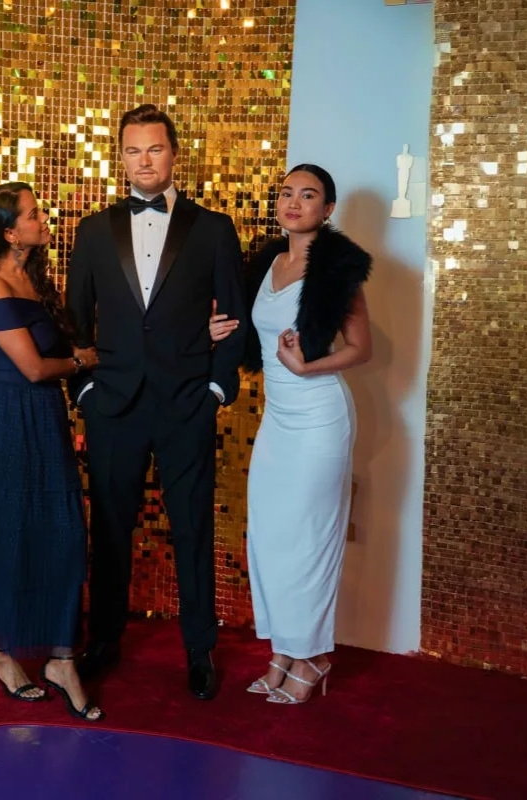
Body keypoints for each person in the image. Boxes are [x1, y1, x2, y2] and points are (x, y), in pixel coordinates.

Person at [66, 104, 247, 700]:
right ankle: (104, 640)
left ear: (174, 153)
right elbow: (75, 322)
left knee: (193, 527)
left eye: (155, 149)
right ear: (121, 158)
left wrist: (216, 390)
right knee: (109, 529)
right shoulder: (93, 230)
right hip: (113, 405)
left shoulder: (214, 228)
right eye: (133, 150)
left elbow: (234, 318)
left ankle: (199, 648)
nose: (144, 161)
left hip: (186, 403)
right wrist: (84, 391)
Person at [210, 164, 372, 704]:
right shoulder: (264, 263)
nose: (294, 203)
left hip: (320, 416)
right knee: (271, 535)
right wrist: (213, 329)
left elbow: (362, 348)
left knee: (310, 539)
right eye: (286, 193)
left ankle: (314, 656)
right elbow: (245, 330)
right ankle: (284, 648)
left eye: (308, 195)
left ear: (328, 209)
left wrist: (307, 367)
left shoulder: (336, 270)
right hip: (277, 419)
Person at [0, 181, 104, 722]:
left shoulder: (36, 279)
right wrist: (83, 362)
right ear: (11, 233)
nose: (43, 219)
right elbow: (35, 368)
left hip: (45, 418)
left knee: (62, 534)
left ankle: (61, 659)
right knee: (10, 531)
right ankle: (2, 653)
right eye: (33, 214)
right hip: (8, 420)